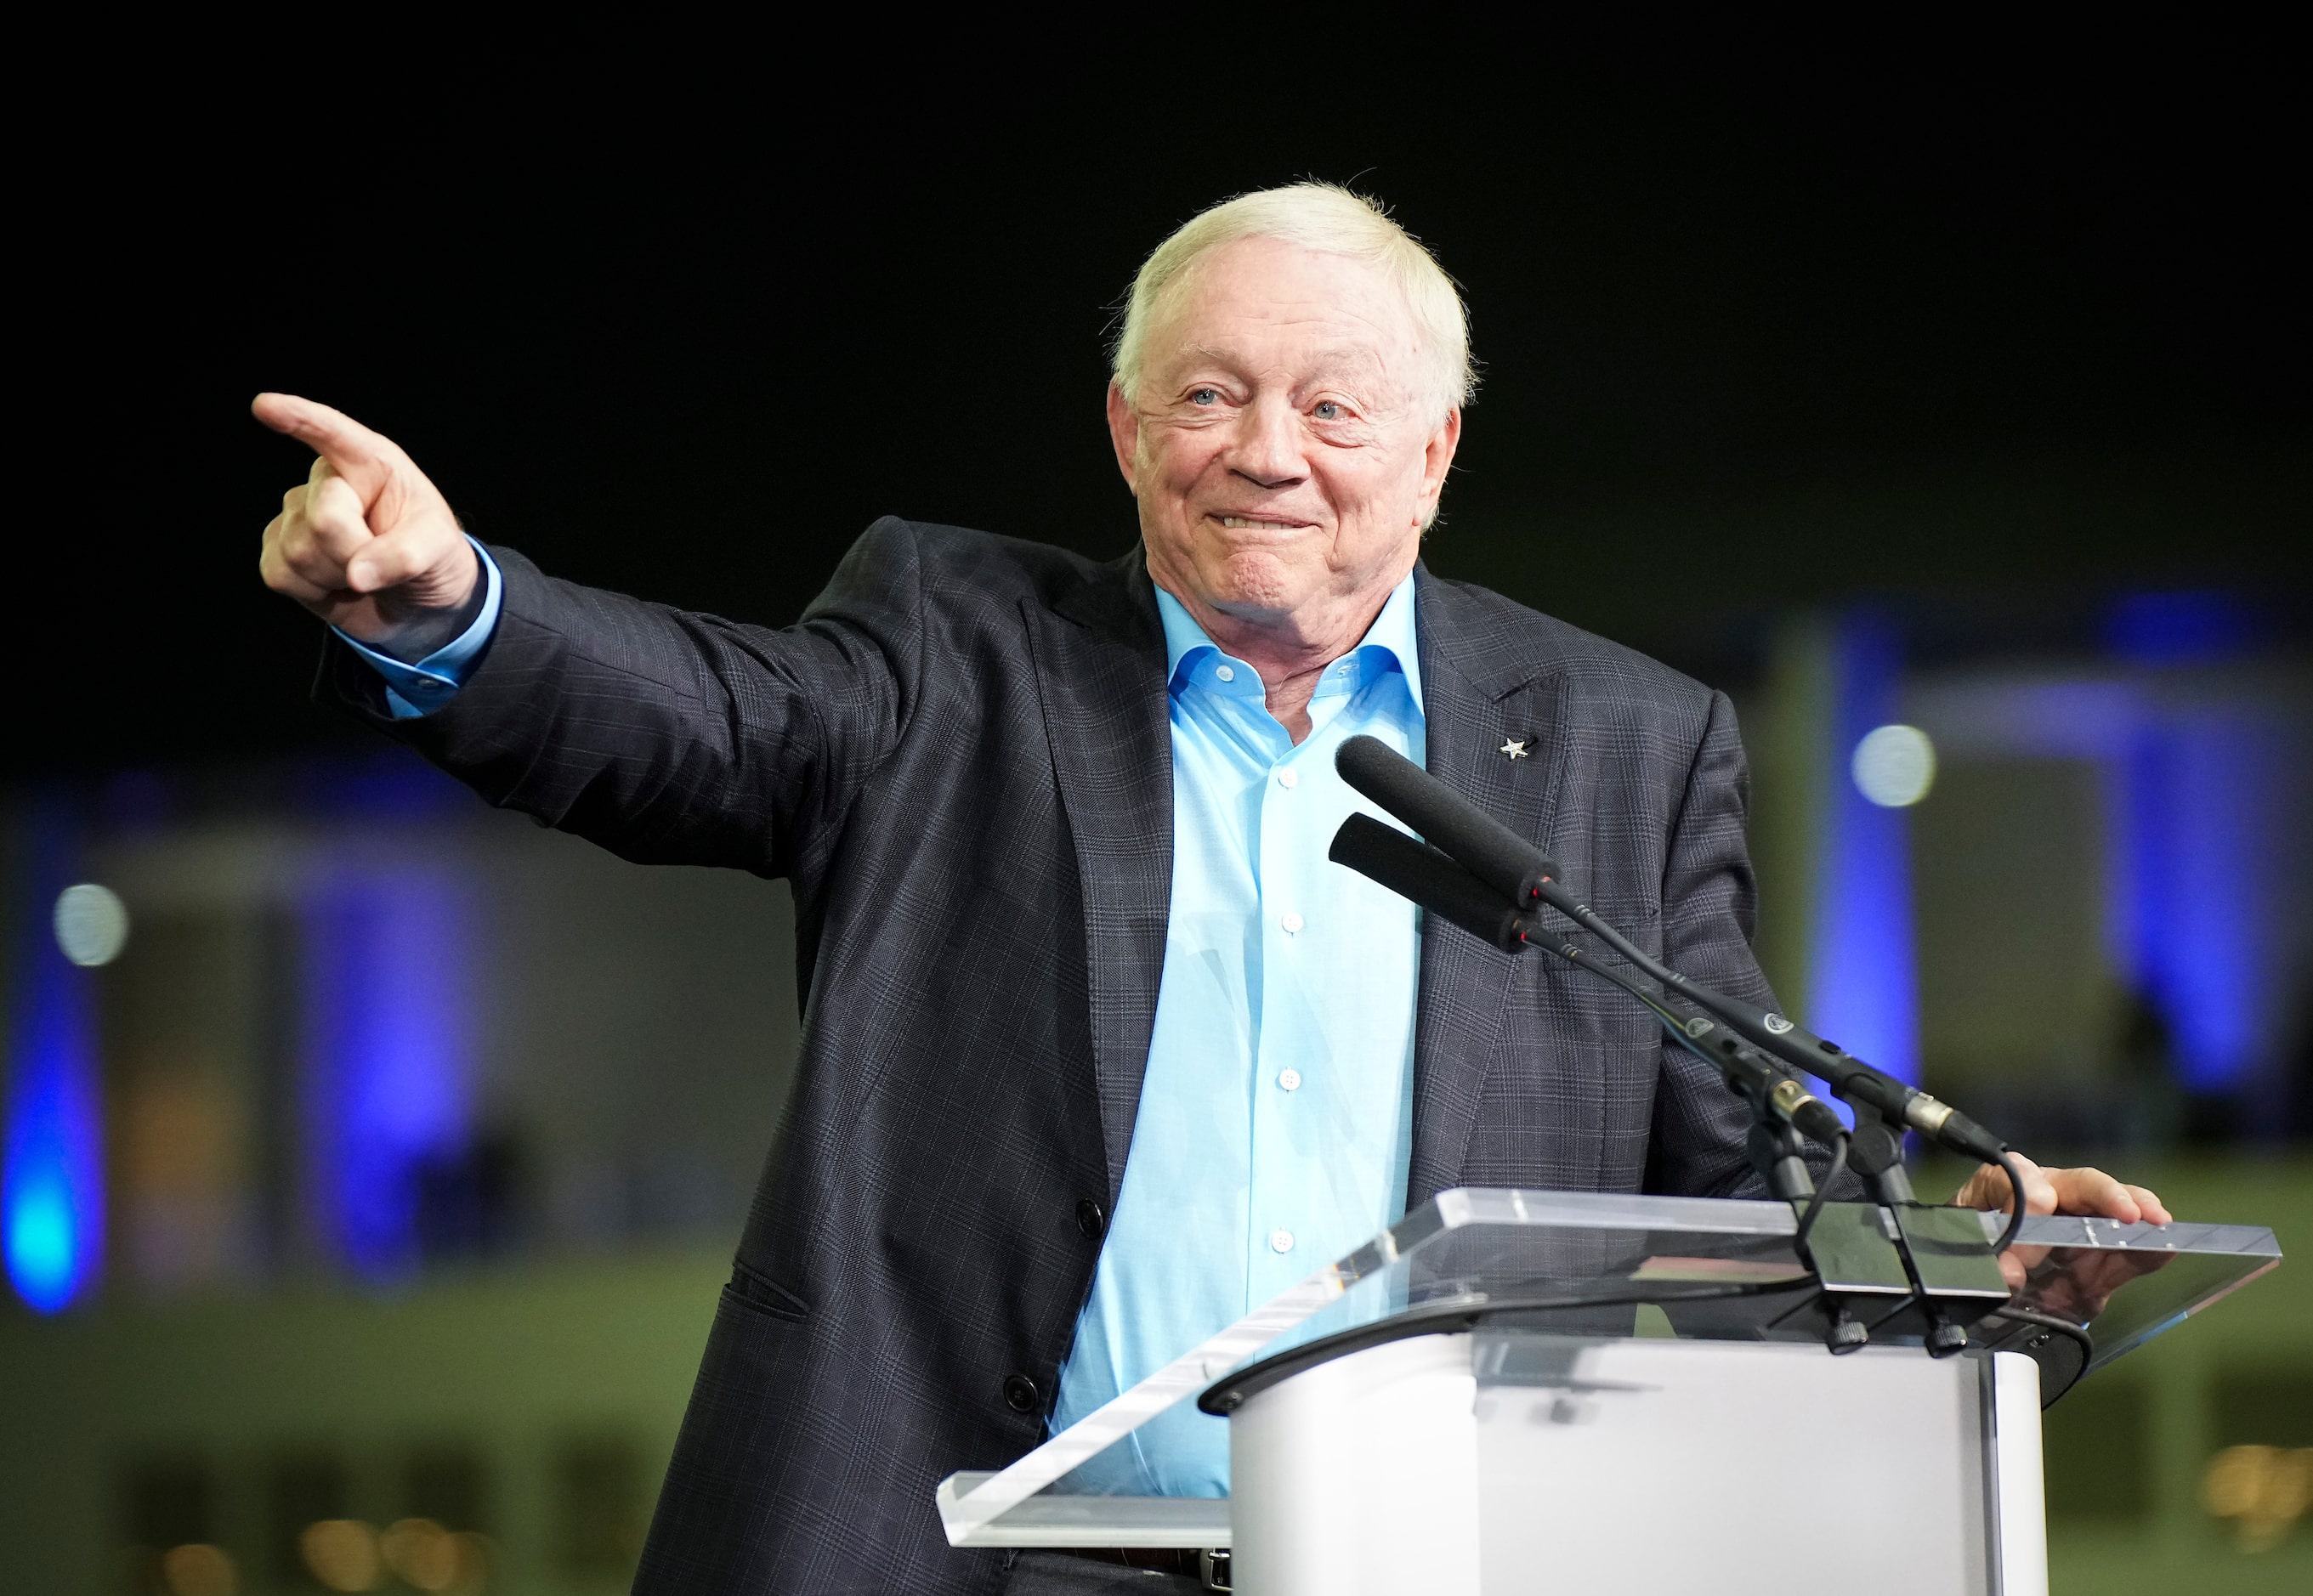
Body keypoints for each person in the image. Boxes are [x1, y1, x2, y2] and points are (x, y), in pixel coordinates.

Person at [253, 184, 2168, 1596]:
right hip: (978, 1565)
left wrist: (1962, 1266)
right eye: (1207, 399)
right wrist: (454, 606)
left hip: (1443, 1562)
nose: (1265, 455)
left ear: (1431, 456)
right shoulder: (960, 645)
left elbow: (1728, 1173)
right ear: (1119, 429)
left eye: (1333, 412)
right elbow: (702, 720)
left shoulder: (1615, 744)